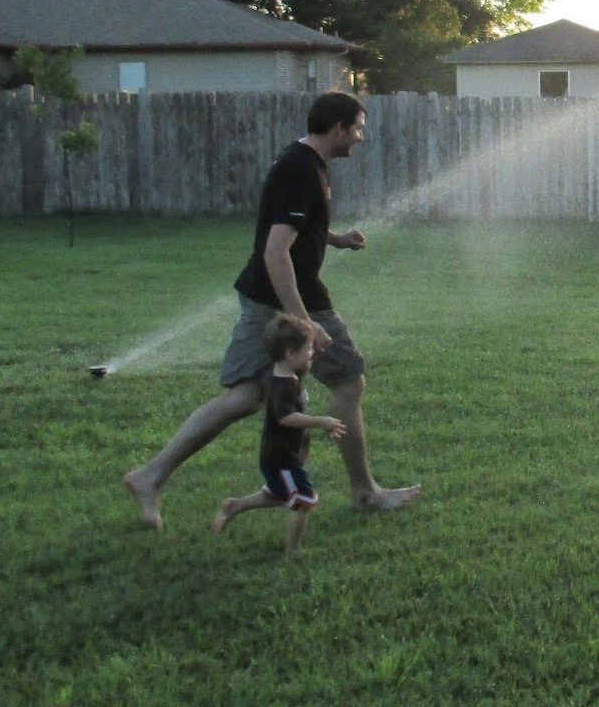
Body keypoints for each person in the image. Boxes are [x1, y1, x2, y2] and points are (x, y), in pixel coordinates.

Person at [125, 91, 420, 530]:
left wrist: (334, 238)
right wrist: (303, 321)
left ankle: (150, 475)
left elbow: (292, 227)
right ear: (338, 128)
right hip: (288, 297)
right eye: (357, 128)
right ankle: (365, 493)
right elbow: (276, 252)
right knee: (347, 380)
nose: (360, 137)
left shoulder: (303, 163)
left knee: (247, 395)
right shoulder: (300, 169)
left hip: (265, 296)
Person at [212, 313, 346, 550]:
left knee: (275, 495)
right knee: (303, 501)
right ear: (289, 353)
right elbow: (286, 418)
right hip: (279, 459)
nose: (311, 353)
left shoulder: (287, 375)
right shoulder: (280, 385)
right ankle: (293, 551)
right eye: (307, 349)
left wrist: (306, 443)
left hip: (285, 455)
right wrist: (321, 422)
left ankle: (234, 506)